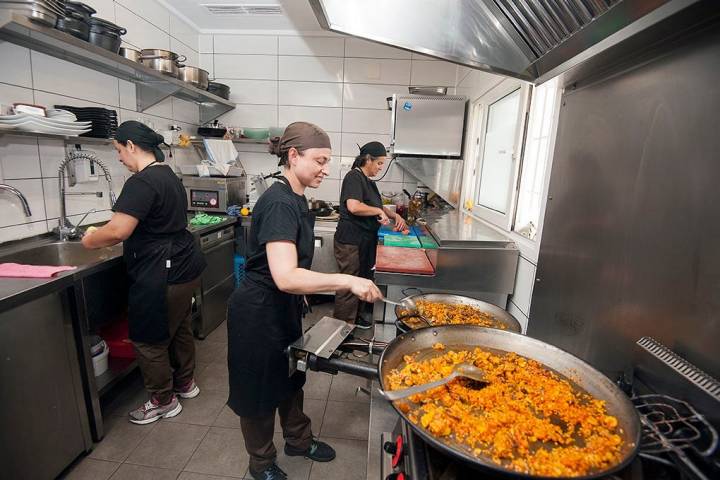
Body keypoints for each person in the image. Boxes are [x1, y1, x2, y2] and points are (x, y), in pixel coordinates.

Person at [226, 122, 384, 480]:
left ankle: (298, 439)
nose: (326, 169)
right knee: (259, 390)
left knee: (290, 376)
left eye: (327, 160)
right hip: (258, 311)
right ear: (293, 156)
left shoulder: (295, 196)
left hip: (282, 307)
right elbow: (285, 276)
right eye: (319, 160)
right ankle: (261, 463)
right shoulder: (279, 201)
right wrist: (348, 279)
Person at [82, 120, 206, 425]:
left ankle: (163, 401)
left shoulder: (141, 181)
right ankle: (185, 383)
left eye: (119, 150)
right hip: (184, 264)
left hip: (162, 270)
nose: (120, 157)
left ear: (132, 145)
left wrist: (90, 239)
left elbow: (118, 231)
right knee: (178, 328)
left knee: (148, 339)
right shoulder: (167, 175)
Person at [333, 141, 406, 328]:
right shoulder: (353, 177)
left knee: (361, 278)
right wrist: (377, 213)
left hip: (363, 240)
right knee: (349, 285)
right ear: (368, 159)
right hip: (351, 241)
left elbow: (376, 205)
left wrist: (393, 214)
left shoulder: (368, 182)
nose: (381, 168)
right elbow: (354, 206)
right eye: (379, 163)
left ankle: (354, 318)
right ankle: (342, 329)